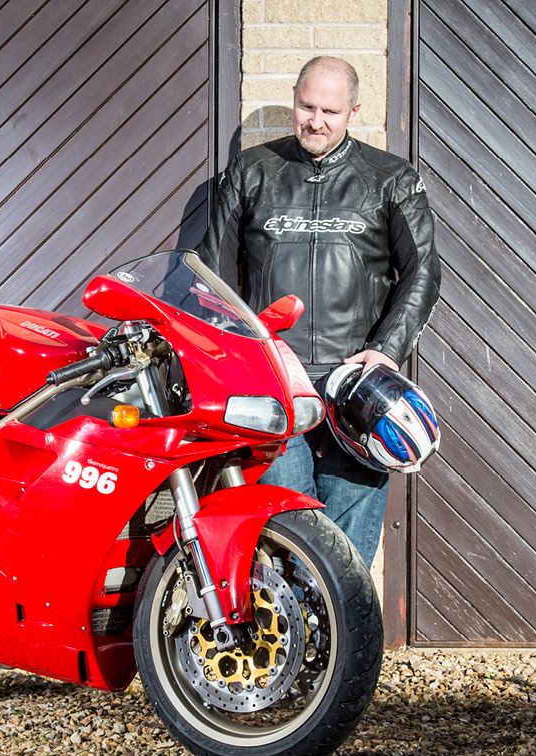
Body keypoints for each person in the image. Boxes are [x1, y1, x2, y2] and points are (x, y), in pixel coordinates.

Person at [196, 56, 441, 567]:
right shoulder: (251, 170)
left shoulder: (390, 177)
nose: (316, 120)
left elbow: (422, 272)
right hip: (273, 385)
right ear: (294, 99)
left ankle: (345, 646)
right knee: (284, 527)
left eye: (329, 110)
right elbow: (212, 277)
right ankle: (289, 640)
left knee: (347, 546)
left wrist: (385, 352)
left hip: (356, 389)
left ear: (353, 110)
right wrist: (235, 359)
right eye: (306, 106)